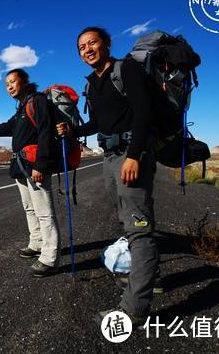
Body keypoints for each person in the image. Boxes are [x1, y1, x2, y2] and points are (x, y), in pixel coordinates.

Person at [57, 26, 159, 325]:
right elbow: (98, 122)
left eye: (92, 43)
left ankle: (135, 309)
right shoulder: (94, 83)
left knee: (139, 229)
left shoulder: (125, 69)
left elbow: (144, 113)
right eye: (81, 47)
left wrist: (134, 155)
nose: (87, 49)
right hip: (110, 157)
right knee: (127, 223)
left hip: (130, 155)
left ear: (107, 44)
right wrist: (73, 130)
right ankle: (148, 277)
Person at [0, 68, 61, 277]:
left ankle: (50, 257)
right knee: (30, 208)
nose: (9, 87)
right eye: (7, 85)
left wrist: (41, 166)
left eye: (13, 82)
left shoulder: (38, 101)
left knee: (44, 212)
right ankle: (37, 244)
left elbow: (45, 133)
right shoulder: (22, 108)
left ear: (24, 82)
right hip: (20, 167)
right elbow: (8, 127)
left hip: (35, 167)